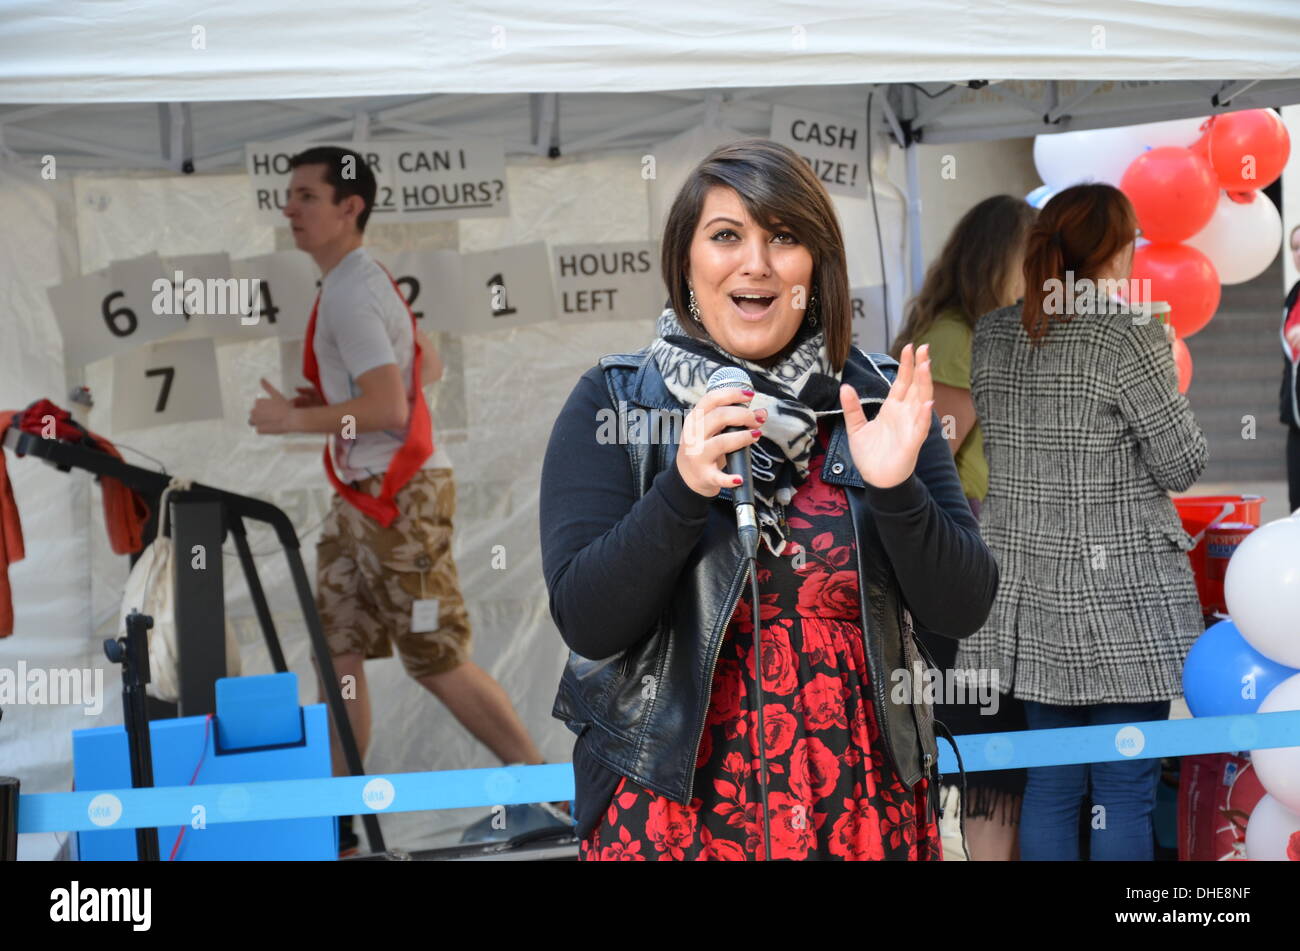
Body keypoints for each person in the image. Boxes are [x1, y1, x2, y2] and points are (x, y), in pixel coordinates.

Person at [540, 137, 998, 861]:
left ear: (816, 269)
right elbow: (588, 620)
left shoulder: (879, 399)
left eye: (783, 237)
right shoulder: (617, 401)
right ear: (686, 265)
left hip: (858, 800)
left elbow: (961, 608)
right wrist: (682, 491)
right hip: (675, 809)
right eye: (726, 236)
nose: (755, 262)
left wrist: (897, 489)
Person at [248, 146, 556, 855]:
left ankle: (542, 792)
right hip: (362, 498)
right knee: (338, 653)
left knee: (434, 654)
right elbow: (430, 367)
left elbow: (389, 406)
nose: (289, 209)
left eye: (305, 197)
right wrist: (331, 403)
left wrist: (299, 419)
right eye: (289, 196)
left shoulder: (354, 290)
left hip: (398, 497)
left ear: (349, 207)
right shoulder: (356, 281)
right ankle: (338, 826)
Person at [955, 183, 1208, 861]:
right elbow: (1183, 463)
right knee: (1124, 786)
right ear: (1119, 250)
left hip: (1029, 593)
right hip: (1123, 596)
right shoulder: (1130, 334)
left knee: (1054, 780)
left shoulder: (995, 333)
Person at [889, 194, 1035, 861]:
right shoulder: (955, 336)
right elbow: (931, 464)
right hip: (965, 568)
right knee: (989, 766)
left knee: (997, 767)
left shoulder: (971, 331)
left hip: (985, 563)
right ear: (1002, 260)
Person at [1279, 223, 1300, 514]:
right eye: (1295, 247)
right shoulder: (1294, 294)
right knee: (1296, 507)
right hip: (1296, 421)